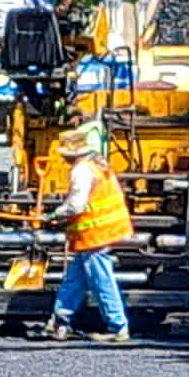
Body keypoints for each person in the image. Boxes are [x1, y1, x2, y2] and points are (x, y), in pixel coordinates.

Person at [44, 127, 133, 342]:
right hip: (97, 233)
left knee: (101, 279)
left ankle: (118, 326)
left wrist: (55, 214)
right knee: (74, 279)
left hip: (94, 234)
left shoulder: (80, 171)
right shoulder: (97, 165)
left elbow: (76, 205)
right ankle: (59, 322)